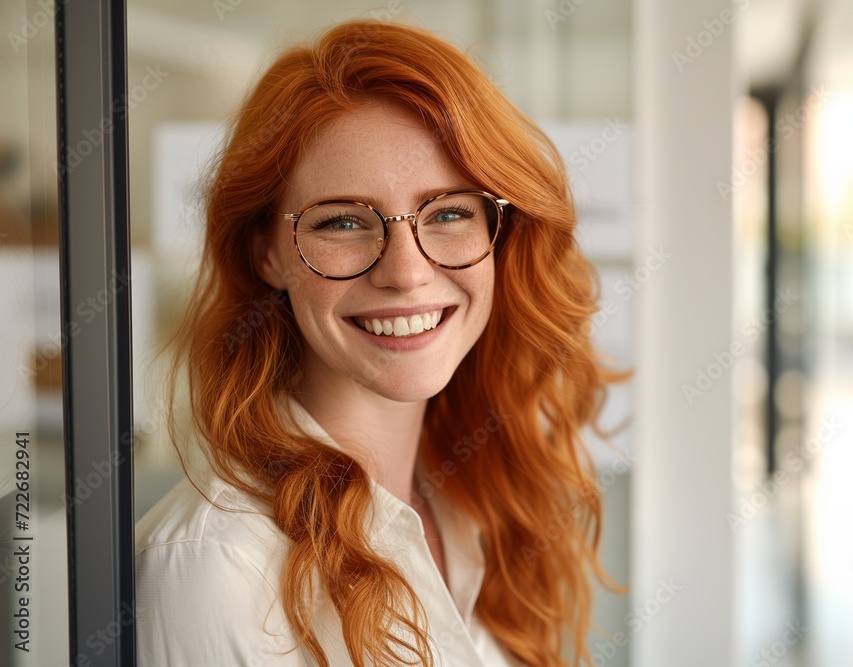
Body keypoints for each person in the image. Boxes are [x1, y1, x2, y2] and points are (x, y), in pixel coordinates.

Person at [135, 18, 622, 667]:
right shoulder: (215, 569)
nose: (406, 271)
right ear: (268, 255)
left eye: (448, 211)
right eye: (342, 220)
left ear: (499, 234)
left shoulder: (472, 496)